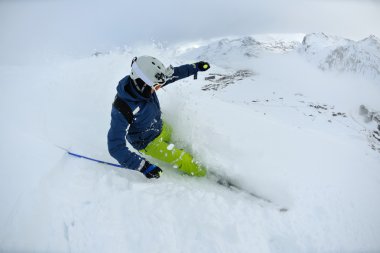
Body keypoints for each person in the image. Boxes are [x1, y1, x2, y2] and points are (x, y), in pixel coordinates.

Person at [107, 56, 210, 179]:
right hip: (148, 143)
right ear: (141, 83)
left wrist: (195, 67)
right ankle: (209, 176)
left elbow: (174, 74)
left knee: (178, 139)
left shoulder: (147, 83)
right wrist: (143, 166)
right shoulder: (123, 107)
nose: (157, 88)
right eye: (155, 86)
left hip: (160, 126)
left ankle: (189, 157)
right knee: (185, 160)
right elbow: (115, 147)